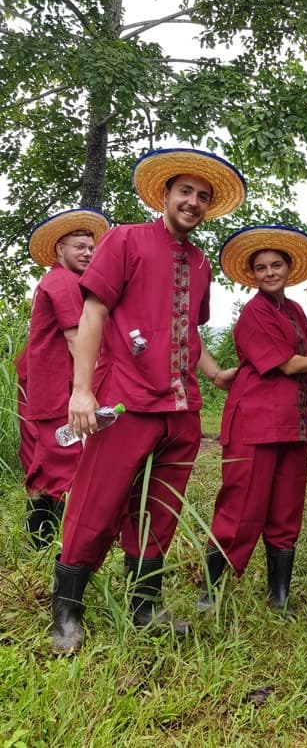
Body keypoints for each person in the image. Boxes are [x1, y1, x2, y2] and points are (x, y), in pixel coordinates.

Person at [51, 147, 246, 654]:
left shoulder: (201, 262)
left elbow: (187, 332)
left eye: (203, 197)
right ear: (165, 194)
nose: (194, 202)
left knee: (161, 510)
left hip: (181, 411)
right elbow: (93, 313)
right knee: (97, 500)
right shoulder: (126, 240)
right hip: (126, 401)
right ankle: (66, 612)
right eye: (185, 191)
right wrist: (81, 389)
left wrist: (215, 373)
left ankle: (145, 605)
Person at [197, 224, 307, 617]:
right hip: (255, 424)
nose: (269, 273)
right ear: (253, 275)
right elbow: (287, 363)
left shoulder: (292, 310)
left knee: (286, 508)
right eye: (261, 268)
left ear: (288, 268)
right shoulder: (254, 314)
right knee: (241, 507)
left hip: (292, 425)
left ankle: (278, 598)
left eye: (276, 265)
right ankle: (209, 594)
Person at [19, 208, 110, 548]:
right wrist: (97, 385)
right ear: (59, 248)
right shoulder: (64, 282)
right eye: (79, 246)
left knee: (47, 460)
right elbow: (76, 339)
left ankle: (39, 542)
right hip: (58, 388)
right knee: (61, 459)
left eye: (91, 247)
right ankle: (44, 545)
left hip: (46, 386)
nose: (87, 252)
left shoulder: (59, 280)